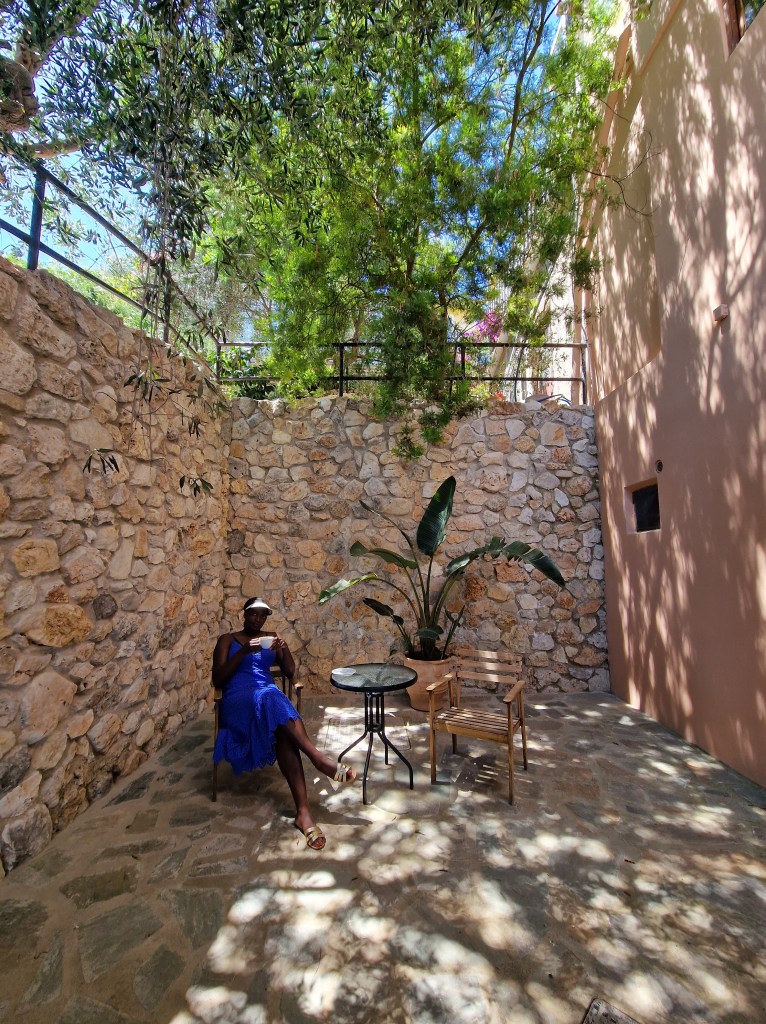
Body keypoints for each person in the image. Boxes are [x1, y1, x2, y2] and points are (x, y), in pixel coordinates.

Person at [212, 597, 355, 850]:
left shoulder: (272, 638)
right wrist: (244, 652)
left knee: (282, 731)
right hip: (237, 699)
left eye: (262, 615)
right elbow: (218, 679)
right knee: (272, 698)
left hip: (266, 698)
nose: (257, 619)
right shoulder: (227, 640)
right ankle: (319, 759)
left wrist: (284, 648)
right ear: (244, 614)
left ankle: (304, 813)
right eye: (253, 614)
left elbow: (289, 671)